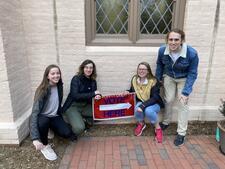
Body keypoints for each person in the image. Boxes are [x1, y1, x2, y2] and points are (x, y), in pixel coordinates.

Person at [155, 28, 199, 146]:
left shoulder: (191, 53)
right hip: (169, 76)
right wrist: (158, 79)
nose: (173, 42)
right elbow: (159, 64)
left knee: (182, 104)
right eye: (170, 39)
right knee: (168, 99)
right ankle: (166, 121)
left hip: (184, 78)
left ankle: (181, 133)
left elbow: (193, 73)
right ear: (167, 40)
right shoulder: (162, 50)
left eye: (176, 39)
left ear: (182, 40)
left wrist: (186, 92)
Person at [30, 64, 77, 161]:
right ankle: (45, 145)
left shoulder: (59, 86)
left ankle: (50, 128)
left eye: (58, 73)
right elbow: (34, 113)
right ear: (47, 76)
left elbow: (57, 104)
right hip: (43, 117)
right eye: (53, 74)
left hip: (54, 116)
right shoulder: (42, 91)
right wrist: (35, 138)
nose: (56, 75)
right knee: (44, 122)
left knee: (67, 133)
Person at [125, 62, 164, 143]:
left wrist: (142, 106)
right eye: (139, 69)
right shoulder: (135, 79)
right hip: (142, 102)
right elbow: (133, 91)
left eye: (144, 69)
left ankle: (158, 128)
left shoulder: (153, 81)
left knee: (148, 110)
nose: (141, 71)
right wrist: (128, 92)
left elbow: (155, 97)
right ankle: (142, 123)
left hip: (154, 103)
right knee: (136, 109)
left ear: (148, 71)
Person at [63, 59, 101, 136]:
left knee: (100, 114)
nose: (88, 69)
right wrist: (93, 93)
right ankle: (70, 120)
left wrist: (98, 96)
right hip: (73, 106)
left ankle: (82, 119)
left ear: (93, 70)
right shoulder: (76, 79)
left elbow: (93, 94)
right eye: (86, 67)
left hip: (85, 105)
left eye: (91, 68)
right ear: (82, 68)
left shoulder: (93, 81)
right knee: (79, 129)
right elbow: (75, 96)